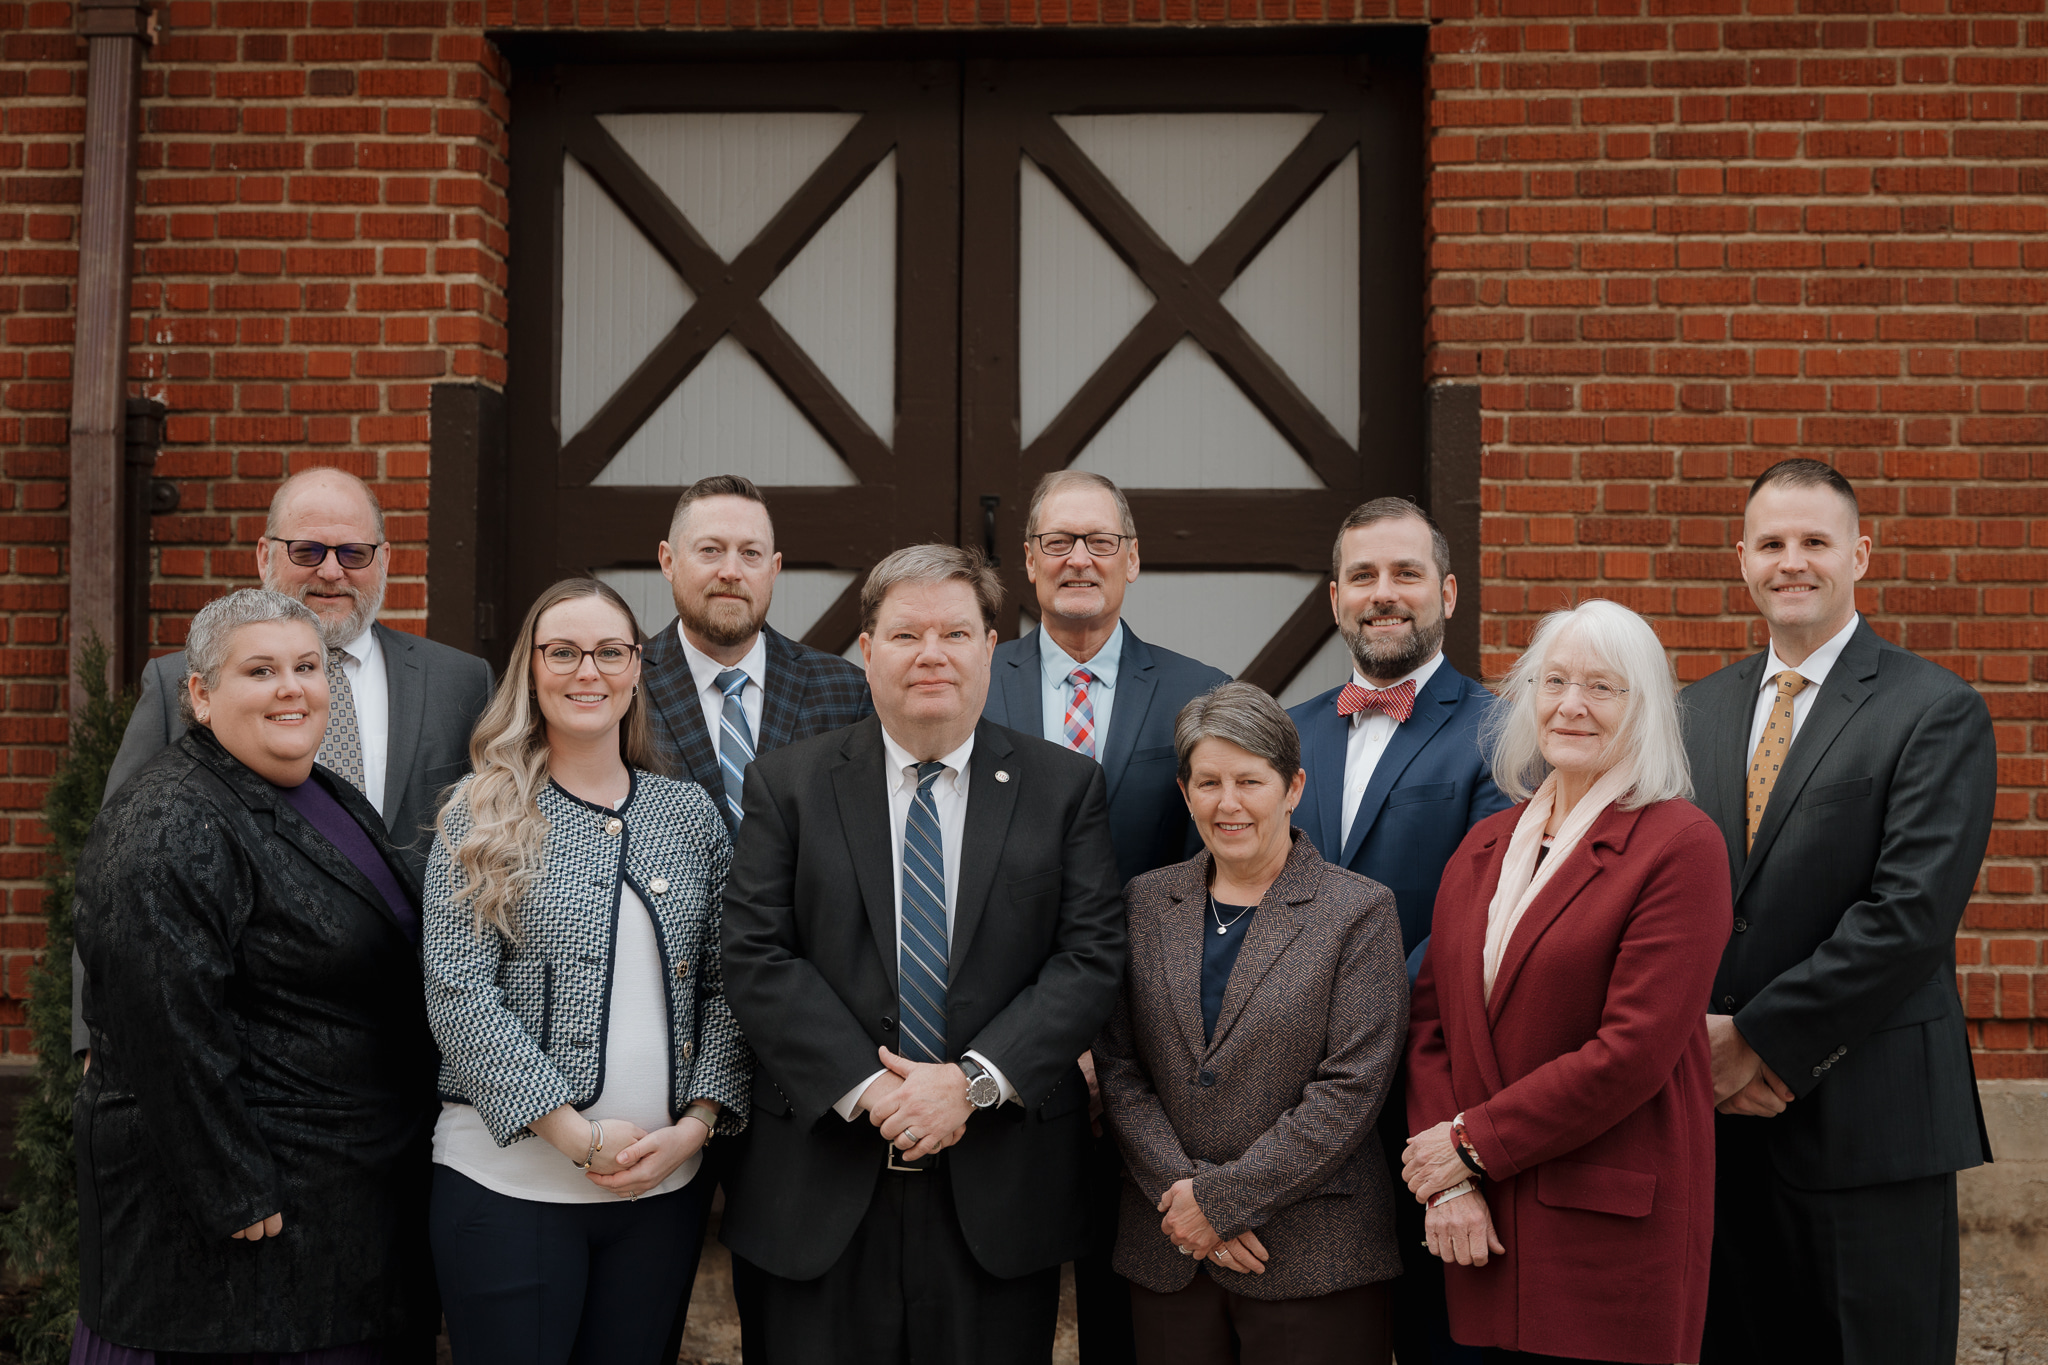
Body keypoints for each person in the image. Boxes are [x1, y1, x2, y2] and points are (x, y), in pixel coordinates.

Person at [719, 543, 1127, 1365]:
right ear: (867, 651)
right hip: (820, 1184)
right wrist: (875, 1090)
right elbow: (756, 954)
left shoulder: (1064, 786)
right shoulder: (788, 784)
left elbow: (1088, 958)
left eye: (955, 632)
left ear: (990, 648)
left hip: (1000, 1187)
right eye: (906, 635)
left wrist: (970, 1084)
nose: (932, 654)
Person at [72, 588, 439, 1362]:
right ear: (201, 695)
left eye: (307, 666)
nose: (291, 687)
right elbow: (164, 1022)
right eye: (260, 669)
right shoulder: (170, 816)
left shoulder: (319, 790)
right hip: (240, 1241)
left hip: (342, 1208)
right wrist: (232, 1185)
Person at [1683, 460, 1995, 1365]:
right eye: (1772, 543)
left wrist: (1752, 1039)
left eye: (1815, 542)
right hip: (1718, 1134)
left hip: (1868, 1130)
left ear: (1859, 554)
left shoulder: (1933, 709)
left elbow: (1909, 916)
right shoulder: (1693, 708)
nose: (1793, 562)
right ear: (1741, 558)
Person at [422, 577, 751, 1365]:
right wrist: (572, 1133)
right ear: (530, 669)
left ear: (638, 667)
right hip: (507, 1189)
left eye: (609, 651)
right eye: (562, 651)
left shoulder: (687, 814)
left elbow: (729, 987)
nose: (587, 671)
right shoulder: (480, 810)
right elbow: (458, 991)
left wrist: (696, 1127)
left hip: (661, 1195)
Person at [1403, 598, 1731, 1364]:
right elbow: (1431, 1026)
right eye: (1554, 681)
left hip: (1606, 1228)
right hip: (1476, 1222)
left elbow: (1632, 1051)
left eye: (1602, 687)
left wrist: (1470, 1144)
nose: (1571, 705)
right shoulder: (1484, 844)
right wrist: (1449, 1182)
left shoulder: (1681, 845)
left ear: (1643, 709)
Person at [76, 467, 494, 1053]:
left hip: (424, 1035)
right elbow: (112, 873)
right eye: (308, 550)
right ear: (264, 556)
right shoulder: (181, 683)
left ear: (385, 559)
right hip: (244, 1038)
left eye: (353, 552)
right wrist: (99, 1039)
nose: (331, 570)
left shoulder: (460, 682)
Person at [982, 469, 1231, 1363]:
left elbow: (1223, 871)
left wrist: (1115, 1034)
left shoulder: (1200, 693)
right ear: (1028, 562)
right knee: (995, 1300)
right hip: (993, 1044)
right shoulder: (973, 680)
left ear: (1133, 559)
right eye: (1058, 541)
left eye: (1099, 542)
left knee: (1132, 1312)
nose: (1078, 558)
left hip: (1152, 1056)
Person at [1095, 681, 1408, 1365]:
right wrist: (1191, 1206)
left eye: (1249, 779)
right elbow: (1119, 1070)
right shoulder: (1146, 903)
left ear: (1293, 786)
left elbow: (1351, 1089)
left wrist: (1223, 1200)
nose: (1227, 802)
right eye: (1208, 781)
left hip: (1312, 1255)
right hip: (1170, 1249)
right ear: (1184, 792)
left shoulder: (1357, 912)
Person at [1287, 496, 1509, 1364]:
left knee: (1436, 1332)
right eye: (1364, 575)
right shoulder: (1289, 733)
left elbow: (1482, 907)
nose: (1385, 593)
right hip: (1302, 1097)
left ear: (1448, 592)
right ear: (1334, 596)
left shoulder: (1501, 729)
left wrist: (1356, 1006)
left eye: (1406, 573)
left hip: (1437, 1079)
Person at [640, 473, 873, 832]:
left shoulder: (847, 692)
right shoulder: (627, 686)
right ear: (668, 562)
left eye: (751, 553)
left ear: (773, 568)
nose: (731, 571)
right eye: (710, 550)